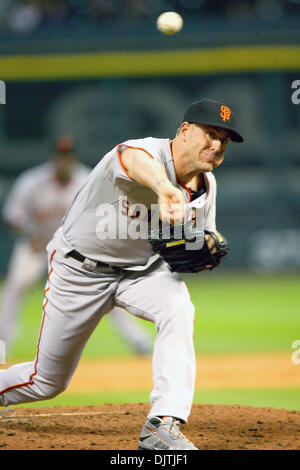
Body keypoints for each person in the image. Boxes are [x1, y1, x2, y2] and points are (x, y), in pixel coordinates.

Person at [0, 99, 243, 450]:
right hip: (79, 270)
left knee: (179, 309)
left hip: (143, 272)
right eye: (210, 134)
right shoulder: (146, 152)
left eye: (225, 140)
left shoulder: (207, 186)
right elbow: (130, 159)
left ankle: (164, 424)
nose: (217, 145)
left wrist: (200, 252)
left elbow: (196, 243)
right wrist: (164, 187)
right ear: (185, 131)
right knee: (47, 382)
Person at [0, 135, 152, 357]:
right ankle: (3, 342)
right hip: (37, 245)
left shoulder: (88, 179)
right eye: (60, 156)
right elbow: (14, 216)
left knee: (107, 288)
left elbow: (108, 215)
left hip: (76, 249)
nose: (64, 161)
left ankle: (139, 341)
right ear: (53, 158)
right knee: (15, 285)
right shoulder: (31, 181)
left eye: (68, 157)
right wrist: (28, 235)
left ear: (74, 159)